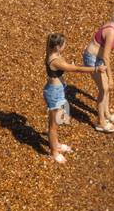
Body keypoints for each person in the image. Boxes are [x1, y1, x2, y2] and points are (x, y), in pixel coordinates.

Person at [44, 34, 104, 164]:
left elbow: (51, 40)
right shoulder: (55, 61)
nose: (66, 46)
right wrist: (95, 69)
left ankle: (56, 144)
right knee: (53, 126)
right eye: (64, 44)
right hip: (54, 93)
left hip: (58, 91)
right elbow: (75, 69)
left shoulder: (52, 52)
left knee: (59, 121)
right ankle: (54, 152)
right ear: (58, 47)